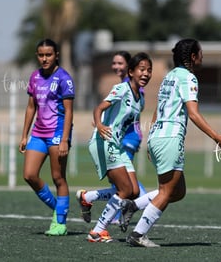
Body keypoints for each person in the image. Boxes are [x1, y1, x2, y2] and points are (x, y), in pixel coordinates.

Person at [125, 39, 221, 247]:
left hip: (158, 136)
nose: (203, 56)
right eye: (201, 53)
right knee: (167, 192)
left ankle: (133, 206)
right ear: (193, 57)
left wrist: (151, 138)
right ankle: (138, 235)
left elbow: (159, 108)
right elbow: (193, 114)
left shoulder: (169, 77)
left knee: (178, 191)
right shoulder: (188, 78)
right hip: (170, 138)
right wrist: (216, 137)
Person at [85, 52, 153, 243]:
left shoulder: (140, 98)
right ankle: (97, 231)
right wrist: (99, 124)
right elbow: (99, 108)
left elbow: (130, 124)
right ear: (131, 72)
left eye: (149, 70)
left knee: (133, 191)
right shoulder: (121, 89)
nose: (146, 73)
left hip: (119, 146)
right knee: (124, 190)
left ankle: (88, 197)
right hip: (105, 142)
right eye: (142, 69)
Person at [19, 38, 75, 236]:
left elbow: (69, 111)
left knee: (58, 177)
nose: (44, 59)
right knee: (29, 175)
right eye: (41, 55)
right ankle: (56, 208)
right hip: (38, 133)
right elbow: (31, 107)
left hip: (57, 133)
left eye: (48, 55)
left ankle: (60, 223)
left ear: (56, 55)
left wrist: (65, 139)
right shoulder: (34, 77)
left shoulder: (64, 78)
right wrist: (24, 135)